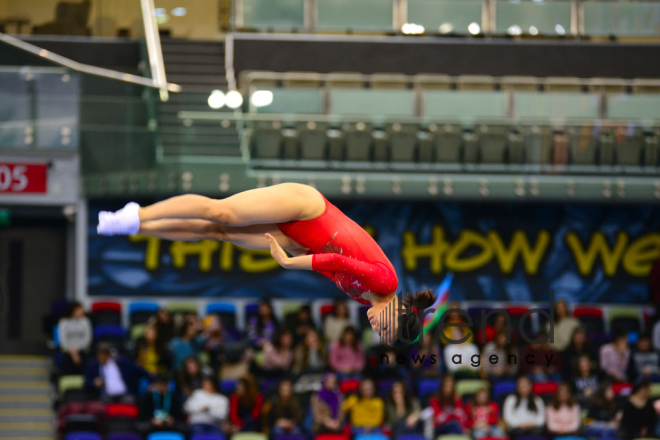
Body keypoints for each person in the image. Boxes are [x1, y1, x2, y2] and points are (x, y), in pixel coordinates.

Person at [97, 183, 435, 345]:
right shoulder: (385, 284)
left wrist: (296, 252)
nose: (376, 329)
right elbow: (336, 259)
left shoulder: (364, 299)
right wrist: (290, 264)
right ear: (400, 313)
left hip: (302, 238)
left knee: (218, 232)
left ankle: (137, 227)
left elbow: (333, 266)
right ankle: (137, 212)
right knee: (222, 212)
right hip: (307, 208)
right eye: (384, 329)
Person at [84, 344, 148, 402]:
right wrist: (94, 382)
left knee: (130, 400)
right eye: (100, 354)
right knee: (103, 402)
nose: (102, 357)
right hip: (106, 396)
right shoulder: (93, 366)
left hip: (124, 394)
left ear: (109, 354)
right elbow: (86, 382)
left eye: (104, 354)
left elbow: (138, 370)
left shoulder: (121, 362)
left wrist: (153, 380)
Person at [58, 301, 92, 375]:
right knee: (65, 361)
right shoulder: (63, 322)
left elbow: (87, 339)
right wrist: (73, 352)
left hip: (82, 351)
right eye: (79, 309)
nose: (82, 311)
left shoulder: (86, 322)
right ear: (73, 310)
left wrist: (76, 350)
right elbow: (63, 340)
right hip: (67, 352)